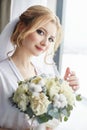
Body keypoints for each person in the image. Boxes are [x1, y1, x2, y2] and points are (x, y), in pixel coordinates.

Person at [0, 5, 79, 130]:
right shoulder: (2, 75)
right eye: (40, 32)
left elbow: (48, 123)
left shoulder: (43, 75)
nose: (45, 43)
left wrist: (64, 93)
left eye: (51, 39)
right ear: (22, 28)